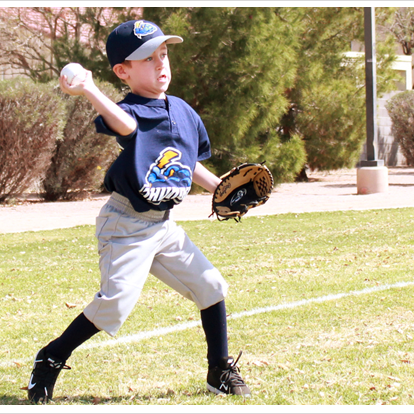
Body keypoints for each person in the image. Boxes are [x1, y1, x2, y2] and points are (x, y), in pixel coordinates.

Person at [26, 20, 251, 403]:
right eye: (147, 58)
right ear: (122, 71)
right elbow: (127, 126)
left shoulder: (182, 111)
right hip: (125, 224)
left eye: (163, 54)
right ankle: (51, 356)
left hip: (164, 226)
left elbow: (187, 161)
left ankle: (219, 369)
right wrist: (90, 90)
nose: (160, 62)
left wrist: (221, 188)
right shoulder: (129, 109)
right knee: (115, 304)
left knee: (211, 285)